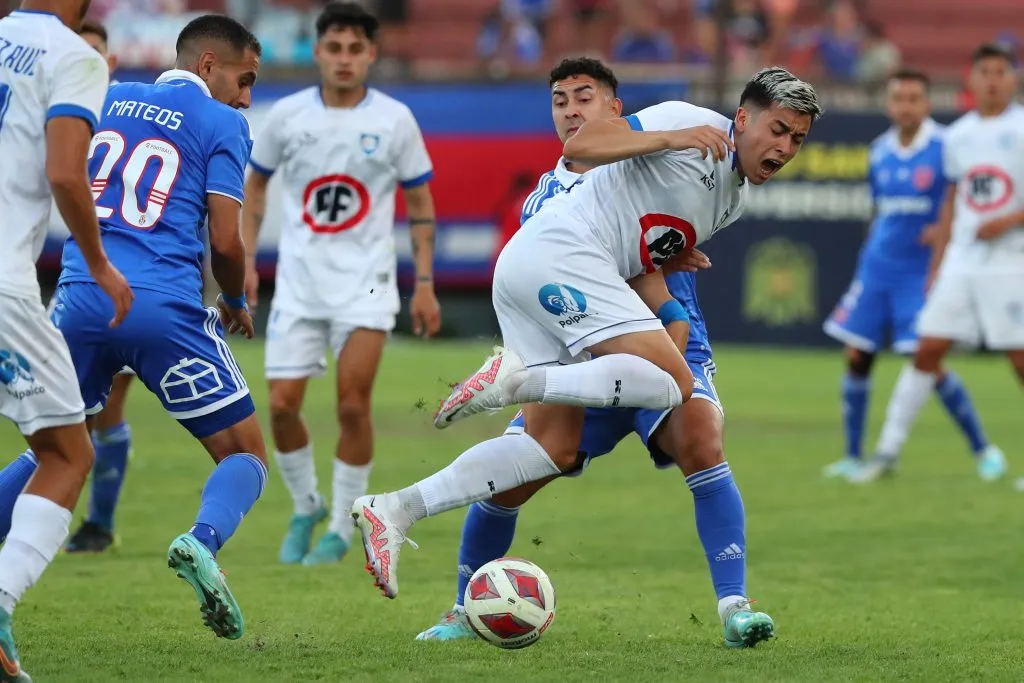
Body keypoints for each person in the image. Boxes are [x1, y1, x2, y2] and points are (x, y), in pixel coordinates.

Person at [350, 67, 822, 618]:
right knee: (675, 382)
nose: (785, 147)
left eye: (797, 139)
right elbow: (586, 144)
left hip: (530, 269)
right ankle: (515, 379)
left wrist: (667, 276)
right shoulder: (689, 124)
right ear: (743, 118)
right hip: (565, 261)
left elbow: (640, 245)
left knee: (547, 448)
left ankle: (397, 508)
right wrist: (672, 137)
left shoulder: (732, 197)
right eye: (778, 130)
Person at [0, 13, 269, 642]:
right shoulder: (224, 121)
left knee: (59, 451)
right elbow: (226, 240)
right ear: (209, 65)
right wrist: (232, 298)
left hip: (77, 299)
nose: (247, 95)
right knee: (246, 453)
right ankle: (202, 542)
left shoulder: (109, 96)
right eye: (245, 79)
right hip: (161, 306)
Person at [242, 1, 441, 567]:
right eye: (334, 48)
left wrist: (424, 282)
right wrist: (248, 261)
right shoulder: (286, 117)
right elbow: (254, 190)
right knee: (281, 405)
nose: (345, 59)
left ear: (372, 54)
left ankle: (341, 525)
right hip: (300, 284)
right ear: (318, 52)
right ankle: (305, 505)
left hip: (368, 285)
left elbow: (421, 203)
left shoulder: (395, 120)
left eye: (356, 49)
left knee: (353, 406)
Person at [0, 1, 132, 678]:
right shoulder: (74, 54)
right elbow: (64, 172)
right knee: (67, 451)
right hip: (5, 284)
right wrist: (101, 265)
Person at [821, 68, 1003, 483]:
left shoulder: (946, 147)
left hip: (919, 272)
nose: (905, 106)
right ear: (889, 105)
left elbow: (965, 201)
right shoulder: (879, 151)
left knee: (927, 361)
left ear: (926, 103)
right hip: (877, 267)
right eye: (898, 99)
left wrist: (945, 231)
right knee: (857, 356)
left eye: (914, 99)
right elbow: (880, 211)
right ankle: (853, 456)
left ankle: (984, 450)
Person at [57, 17, 137, 554]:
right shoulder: (59, 117)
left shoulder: (128, 119)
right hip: (73, 276)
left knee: (100, 410)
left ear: (109, 62)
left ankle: (97, 522)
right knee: (62, 415)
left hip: (133, 280)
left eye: (93, 52)